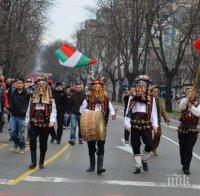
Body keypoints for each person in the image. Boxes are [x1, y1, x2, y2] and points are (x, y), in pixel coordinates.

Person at [80, 79, 116, 175]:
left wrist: (112, 114)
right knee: (91, 147)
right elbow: (81, 110)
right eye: (95, 88)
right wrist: (89, 112)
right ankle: (92, 165)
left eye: (99, 88)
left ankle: (100, 167)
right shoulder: (87, 99)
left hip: (101, 127)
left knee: (101, 147)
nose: (97, 90)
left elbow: (111, 109)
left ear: (101, 89)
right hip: (90, 127)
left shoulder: (106, 100)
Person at [124, 75, 158, 174]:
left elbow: (154, 112)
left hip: (146, 123)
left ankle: (144, 160)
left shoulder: (151, 98)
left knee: (150, 144)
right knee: (135, 145)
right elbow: (128, 112)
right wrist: (127, 124)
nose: (141, 87)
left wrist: (155, 125)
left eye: (143, 85)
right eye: (139, 85)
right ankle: (138, 166)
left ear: (147, 87)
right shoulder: (132, 97)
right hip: (134, 123)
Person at [25, 76, 57, 169]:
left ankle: (41, 162)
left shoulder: (50, 100)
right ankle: (33, 162)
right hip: (34, 123)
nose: (41, 90)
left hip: (45, 124)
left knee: (43, 144)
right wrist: (27, 121)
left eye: (43, 88)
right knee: (32, 141)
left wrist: (52, 121)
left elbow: (54, 111)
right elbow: (28, 110)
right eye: (39, 88)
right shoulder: (33, 99)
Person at [177, 87, 200, 175]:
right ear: (187, 94)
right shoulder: (183, 100)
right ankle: (183, 162)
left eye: (193, 92)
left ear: (195, 94)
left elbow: (198, 113)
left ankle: (187, 167)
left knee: (189, 148)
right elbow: (181, 108)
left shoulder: (198, 103)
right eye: (190, 92)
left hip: (193, 128)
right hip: (183, 127)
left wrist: (191, 107)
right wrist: (187, 99)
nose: (192, 94)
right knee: (182, 147)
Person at [9, 79, 30, 153]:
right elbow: (10, 103)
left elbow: (30, 104)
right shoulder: (12, 93)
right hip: (14, 115)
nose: (19, 84)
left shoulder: (27, 94)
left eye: (20, 83)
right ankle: (18, 144)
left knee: (21, 133)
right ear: (15, 84)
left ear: (23, 84)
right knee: (13, 132)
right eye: (17, 83)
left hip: (22, 116)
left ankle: (21, 147)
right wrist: (10, 110)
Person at [150, 85, 170, 156]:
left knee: (158, 135)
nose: (155, 93)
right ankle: (148, 148)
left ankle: (154, 148)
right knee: (148, 136)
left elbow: (163, 111)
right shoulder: (148, 99)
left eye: (156, 92)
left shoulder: (159, 100)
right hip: (148, 121)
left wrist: (166, 119)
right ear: (151, 92)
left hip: (157, 121)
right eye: (154, 91)